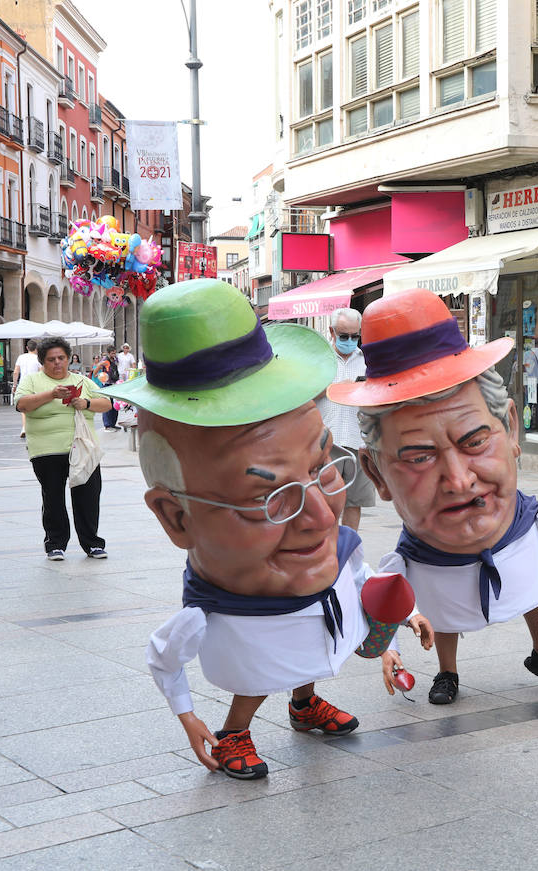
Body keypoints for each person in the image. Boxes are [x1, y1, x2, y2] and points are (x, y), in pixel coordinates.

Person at [104, 278, 429, 780]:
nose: (323, 519)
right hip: (249, 615)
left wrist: (395, 632)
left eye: (323, 467)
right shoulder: (214, 613)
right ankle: (236, 729)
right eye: (268, 497)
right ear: (176, 517)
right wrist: (188, 716)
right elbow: (165, 657)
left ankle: (304, 705)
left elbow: (361, 585)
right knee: (266, 660)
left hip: (314, 620)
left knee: (305, 650)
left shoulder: (331, 548)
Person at [331, 288, 538, 706]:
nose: (460, 481)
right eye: (419, 458)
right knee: (440, 607)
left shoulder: (533, 521)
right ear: (376, 472)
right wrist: (387, 646)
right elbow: (388, 598)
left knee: (532, 588)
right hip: (434, 565)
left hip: (521, 556)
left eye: (476, 442)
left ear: (511, 430)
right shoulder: (411, 555)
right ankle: (447, 670)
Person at [14, 337, 113, 560]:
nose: (57, 363)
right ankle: (55, 544)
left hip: (82, 448)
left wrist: (86, 403)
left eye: (61, 358)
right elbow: (21, 404)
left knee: (88, 495)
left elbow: (107, 403)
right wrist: (51, 395)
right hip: (47, 449)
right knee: (53, 497)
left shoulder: (82, 381)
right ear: (42, 362)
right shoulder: (32, 381)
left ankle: (93, 543)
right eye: (51, 359)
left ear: (68, 359)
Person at [313, 307, 375, 531]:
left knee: (354, 503)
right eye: (344, 336)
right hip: (329, 443)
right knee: (327, 503)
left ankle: (349, 553)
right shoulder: (320, 359)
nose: (350, 341)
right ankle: (329, 551)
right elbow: (307, 394)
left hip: (359, 441)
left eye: (355, 336)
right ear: (331, 331)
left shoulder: (367, 359)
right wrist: (337, 389)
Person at [13, 340, 41, 439]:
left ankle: (24, 428)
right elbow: (41, 373)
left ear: (27, 348)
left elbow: (16, 372)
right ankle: (35, 428)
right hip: (35, 385)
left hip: (23, 385)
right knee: (36, 406)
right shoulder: (38, 358)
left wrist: (14, 385)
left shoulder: (21, 357)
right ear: (36, 349)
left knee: (24, 408)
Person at [93, 350, 119, 430]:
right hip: (107, 384)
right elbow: (96, 370)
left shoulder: (115, 360)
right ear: (108, 353)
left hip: (114, 384)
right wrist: (97, 373)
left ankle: (113, 423)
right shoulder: (105, 360)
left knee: (115, 405)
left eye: (114, 353)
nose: (114, 355)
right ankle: (107, 425)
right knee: (107, 404)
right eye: (112, 353)